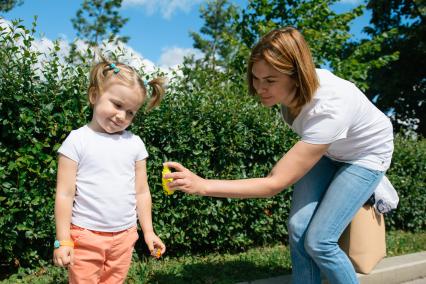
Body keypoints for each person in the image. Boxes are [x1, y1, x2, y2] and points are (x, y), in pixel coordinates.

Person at [164, 27, 394, 284]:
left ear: (296, 76)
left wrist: (203, 185)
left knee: (319, 241)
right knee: (298, 229)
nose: (260, 88)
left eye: (270, 80)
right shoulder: (289, 96)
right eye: (256, 78)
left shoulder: (329, 107)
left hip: (366, 154)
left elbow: (274, 183)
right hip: (330, 149)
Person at [53, 57, 166, 283]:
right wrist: (63, 240)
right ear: (94, 96)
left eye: (131, 112)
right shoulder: (77, 141)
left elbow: (142, 192)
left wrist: (149, 231)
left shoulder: (135, 144)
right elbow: (64, 194)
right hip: (85, 235)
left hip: (125, 236)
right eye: (117, 104)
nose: (122, 116)